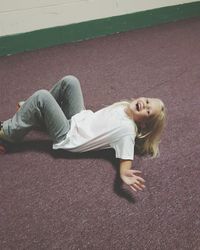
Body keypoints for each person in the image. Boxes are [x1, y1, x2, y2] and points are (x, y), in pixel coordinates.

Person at [0, 75, 166, 192]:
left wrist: (124, 173)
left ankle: (9, 133)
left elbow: (126, 156)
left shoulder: (127, 130)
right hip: (80, 119)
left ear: (144, 124)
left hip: (69, 136)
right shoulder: (123, 106)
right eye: (147, 101)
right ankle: (36, 111)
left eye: (148, 111)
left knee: (41, 96)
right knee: (70, 81)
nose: (144, 104)